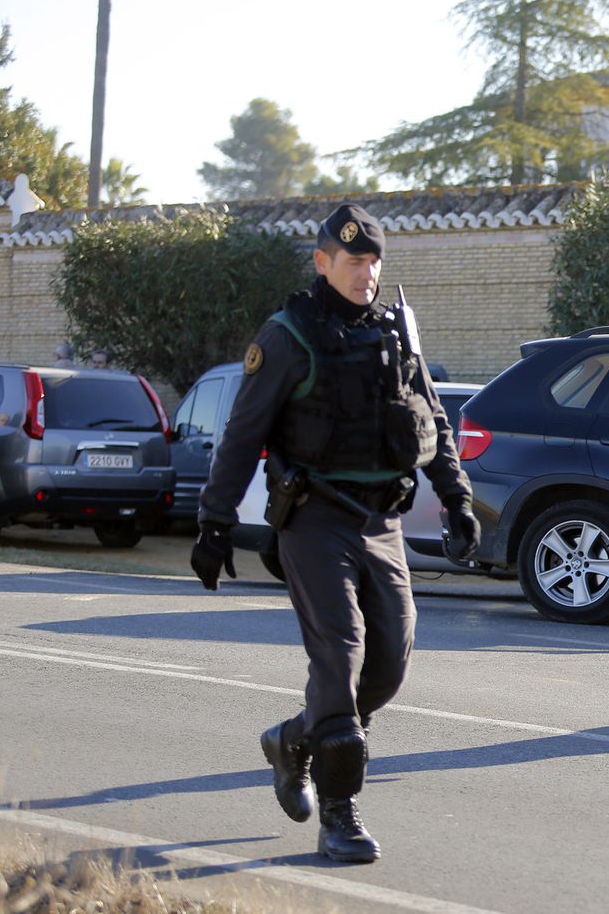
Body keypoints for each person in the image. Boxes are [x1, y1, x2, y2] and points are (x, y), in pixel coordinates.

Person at [190, 204, 480, 863]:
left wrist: (459, 501)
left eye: (374, 260)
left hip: (382, 522)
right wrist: (215, 520)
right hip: (315, 520)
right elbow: (243, 434)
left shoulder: (395, 330)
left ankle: (295, 738)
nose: (367, 273)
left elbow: (431, 417)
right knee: (340, 655)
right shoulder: (289, 334)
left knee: (390, 664)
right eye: (354, 260)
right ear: (323, 261)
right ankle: (339, 814)